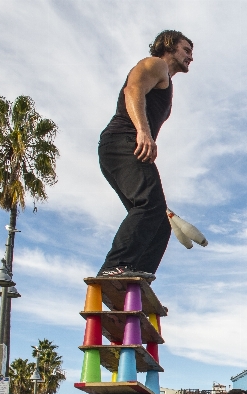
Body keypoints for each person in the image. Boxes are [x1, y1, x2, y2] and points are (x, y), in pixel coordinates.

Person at [97, 30, 194, 278]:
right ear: (169, 45)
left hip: (125, 145)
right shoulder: (155, 64)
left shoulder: (165, 79)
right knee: (149, 204)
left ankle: (135, 282)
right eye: (186, 50)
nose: (190, 57)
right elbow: (133, 90)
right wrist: (142, 131)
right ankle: (114, 268)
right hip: (123, 141)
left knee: (160, 224)